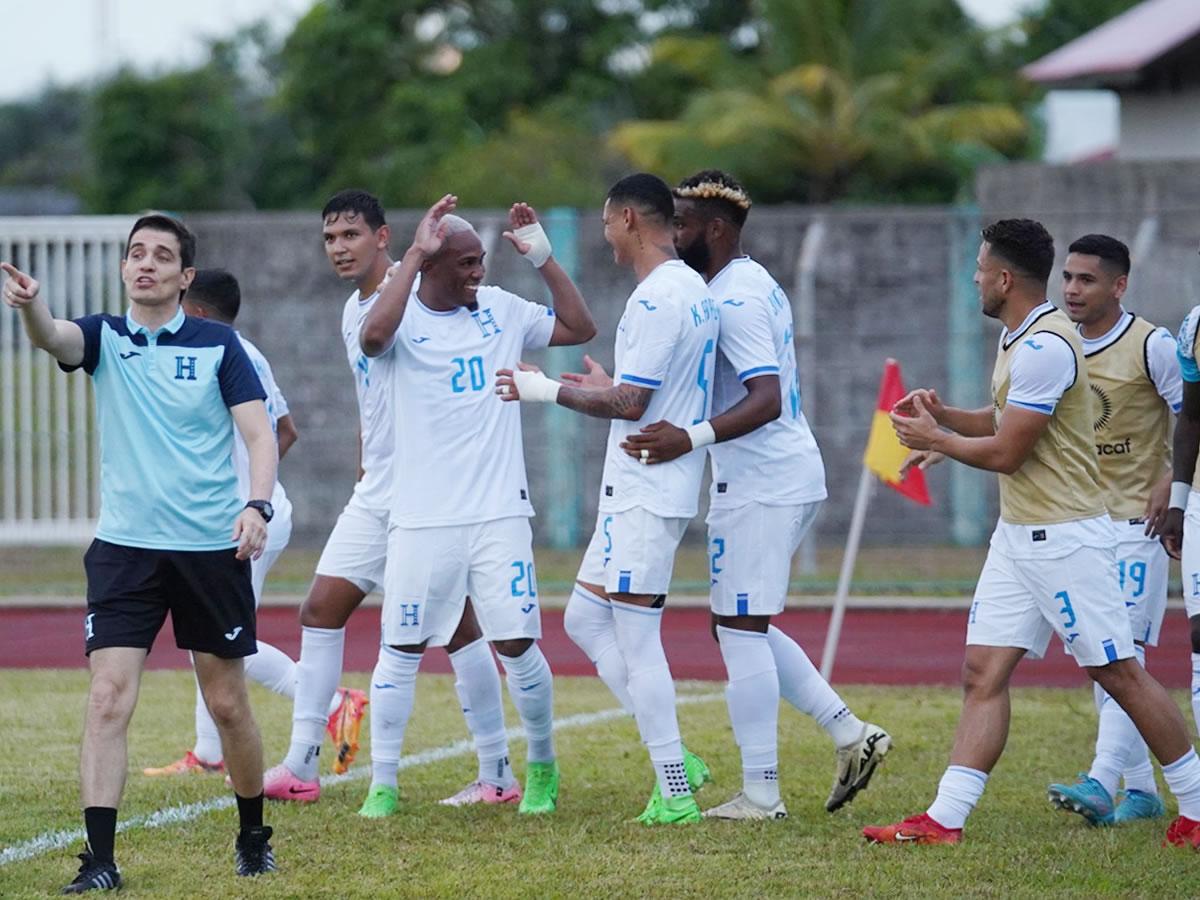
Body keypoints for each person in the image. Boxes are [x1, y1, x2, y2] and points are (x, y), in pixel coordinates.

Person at [862, 218, 1200, 848]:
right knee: (982, 671)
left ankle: (1197, 806)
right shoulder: (1020, 338)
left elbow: (1008, 452)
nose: (975, 279)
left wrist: (940, 440)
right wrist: (944, 418)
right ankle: (945, 819)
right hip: (1019, 538)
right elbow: (1002, 418)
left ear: (1004, 278)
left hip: (1066, 539)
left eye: (980, 269)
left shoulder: (1046, 346)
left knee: (1119, 673)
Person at [2, 214, 279, 892]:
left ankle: (252, 836)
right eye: (136, 253)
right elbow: (52, 338)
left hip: (210, 551)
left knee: (227, 705)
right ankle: (99, 862)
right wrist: (35, 307)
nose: (145, 263)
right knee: (106, 699)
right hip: (125, 551)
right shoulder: (105, 336)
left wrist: (258, 504)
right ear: (125, 269)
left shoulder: (220, 345)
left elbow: (260, 436)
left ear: (186, 277)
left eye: (161, 255)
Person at [617, 169, 892, 820]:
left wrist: (689, 437)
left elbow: (764, 399)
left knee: (739, 629)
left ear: (715, 230)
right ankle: (849, 733)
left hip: (764, 479)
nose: (673, 232)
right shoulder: (740, 281)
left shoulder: (735, 296)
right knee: (737, 625)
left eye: (682, 223)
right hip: (768, 477)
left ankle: (763, 793)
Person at [263, 191, 520, 818]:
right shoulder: (352, 309)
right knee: (321, 609)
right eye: (330, 239)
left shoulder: (414, 298)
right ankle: (303, 761)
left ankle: (498, 770)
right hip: (376, 489)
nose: (339, 248)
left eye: (351, 235)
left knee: (459, 630)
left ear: (384, 238)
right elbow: (372, 395)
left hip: (427, 496)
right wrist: (363, 456)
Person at [358, 193, 595, 816]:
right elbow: (372, 338)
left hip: (498, 514)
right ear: (431, 266)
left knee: (516, 644)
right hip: (421, 517)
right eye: (464, 264)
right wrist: (411, 254)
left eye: (479, 262)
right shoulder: (399, 312)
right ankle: (384, 784)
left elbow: (580, 327)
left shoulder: (501, 309)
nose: (477, 273)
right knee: (400, 649)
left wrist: (542, 257)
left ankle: (541, 767)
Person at [498, 173, 720, 825]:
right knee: (585, 622)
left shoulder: (657, 299)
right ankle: (680, 759)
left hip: (648, 492)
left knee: (637, 637)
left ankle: (674, 787)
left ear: (627, 218)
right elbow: (639, 388)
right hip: (640, 489)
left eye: (603, 221)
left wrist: (541, 390)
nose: (602, 232)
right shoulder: (688, 289)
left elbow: (633, 404)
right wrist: (606, 381)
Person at [141, 268, 356, 777]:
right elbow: (286, 431)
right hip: (254, 513)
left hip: (241, 521)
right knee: (208, 631)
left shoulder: (217, 354)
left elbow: (278, 434)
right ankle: (208, 753)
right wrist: (256, 486)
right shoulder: (248, 351)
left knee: (218, 635)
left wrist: (245, 497)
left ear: (195, 311)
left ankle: (330, 702)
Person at [1045, 235, 1180, 825]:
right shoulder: (1055, 344)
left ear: (1119, 286)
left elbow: (1194, 416)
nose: (1072, 290)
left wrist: (1172, 479)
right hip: (1079, 524)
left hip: (1137, 526)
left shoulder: (1154, 346)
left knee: (1122, 653)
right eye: (1068, 278)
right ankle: (1143, 792)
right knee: (1105, 663)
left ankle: (1101, 781)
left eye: (1087, 280)